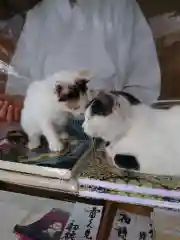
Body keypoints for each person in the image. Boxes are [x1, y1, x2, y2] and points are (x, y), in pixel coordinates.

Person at [0, 0, 160, 122]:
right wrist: (17, 101)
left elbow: (144, 87)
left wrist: (109, 110)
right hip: (48, 133)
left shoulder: (122, 7)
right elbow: (19, 84)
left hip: (109, 129)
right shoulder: (38, 16)